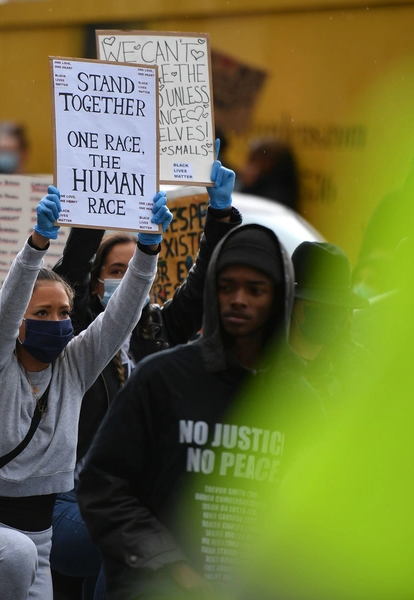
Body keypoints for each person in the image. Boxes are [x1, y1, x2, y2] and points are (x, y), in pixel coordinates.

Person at [0, 186, 172, 599]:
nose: (57, 321)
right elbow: (5, 308)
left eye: (64, 313)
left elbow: (120, 318)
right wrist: (35, 247)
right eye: (42, 314)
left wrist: (148, 250)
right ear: (18, 322)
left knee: (22, 552)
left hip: (39, 541)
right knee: (12, 551)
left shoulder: (73, 366)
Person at [78, 224, 325, 600]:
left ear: (278, 299)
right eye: (227, 287)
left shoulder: (301, 401)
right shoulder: (160, 379)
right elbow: (101, 484)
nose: (239, 299)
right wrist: (172, 567)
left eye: (255, 290)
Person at [50, 143, 239, 600]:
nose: (130, 276)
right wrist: (90, 198)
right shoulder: (74, 334)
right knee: (128, 546)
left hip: (140, 500)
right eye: (117, 269)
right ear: (96, 283)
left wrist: (219, 215)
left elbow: (200, 288)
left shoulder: (159, 330)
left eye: (138, 267)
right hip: (73, 497)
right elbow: (70, 275)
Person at [289, 242, 369, 410]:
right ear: (292, 303)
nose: (330, 313)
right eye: (319, 304)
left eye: (338, 306)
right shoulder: (266, 365)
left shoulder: (359, 367)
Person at [234, 137, 300, 212]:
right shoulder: (255, 184)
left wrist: (247, 185)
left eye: (254, 160)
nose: (248, 167)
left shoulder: (276, 194)